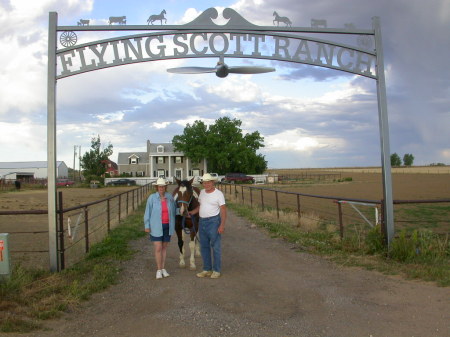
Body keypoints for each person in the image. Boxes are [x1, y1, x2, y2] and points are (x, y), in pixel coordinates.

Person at [189, 173, 227, 279]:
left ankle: (216, 270)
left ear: (212, 182)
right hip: (202, 222)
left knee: (215, 247)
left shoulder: (218, 194)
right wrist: (193, 212)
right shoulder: (202, 193)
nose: (207, 184)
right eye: (205, 183)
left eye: (208, 182)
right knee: (204, 247)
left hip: (214, 222)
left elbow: (223, 210)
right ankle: (207, 269)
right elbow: (201, 206)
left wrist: (222, 225)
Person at [144, 177, 176, 279]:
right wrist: (147, 225)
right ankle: (158, 269)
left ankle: (163, 268)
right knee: (158, 248)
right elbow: (147, 213)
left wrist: (184, 213)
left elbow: (174, 210)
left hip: (167, 226)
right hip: (156, 227)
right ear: (157, 187)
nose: (161, 188)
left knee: (164, 248)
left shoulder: (169, 197)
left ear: (165, 187)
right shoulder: (152, 198)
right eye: (159, 186)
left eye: (163, 186)